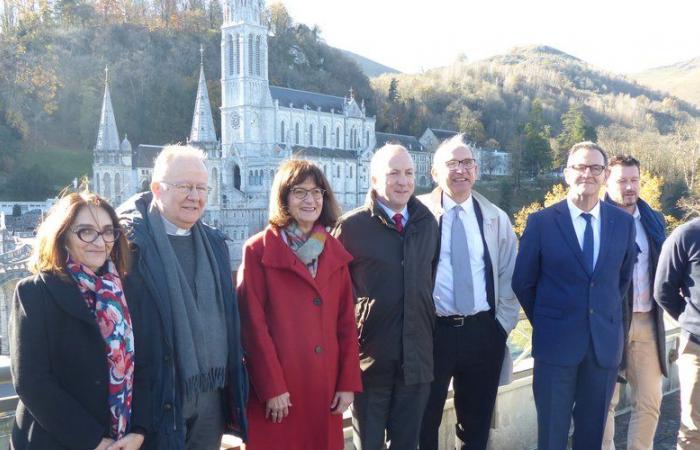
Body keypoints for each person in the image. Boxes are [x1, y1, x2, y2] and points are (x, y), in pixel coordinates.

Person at [118, 145, 247, 449]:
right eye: (184, 186)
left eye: (202, 187)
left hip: (211, 397)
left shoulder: (215, 243)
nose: (195, 196)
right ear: (157, 189)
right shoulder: (129, 244)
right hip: (159, 396)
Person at [512, 141, 637, 450]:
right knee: (552, 437)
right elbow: (523, 282)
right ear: (566, 174)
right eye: (580, 167)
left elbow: (620, 282)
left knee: (591, 437)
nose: (588, 174)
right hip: (555, 347)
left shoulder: (622, 223)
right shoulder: (541, 223)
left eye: (595, 168)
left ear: (605, 174)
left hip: (603, 349)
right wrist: (552, 318)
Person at [237, 159, 362, 450]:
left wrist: (347, 383)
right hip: (280, 394)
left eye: (317, 192)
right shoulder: (258, 250)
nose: (311, 199)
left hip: (325, 388)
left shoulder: (334, 251)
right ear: (284, 198)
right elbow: (252, 326)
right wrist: (272, 387)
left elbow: (346, 323)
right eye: (300, 192)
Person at [10, 189, 149, 450]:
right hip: (58, 440)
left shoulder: (128, 290)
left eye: (108, 231)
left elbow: (145, 366)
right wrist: (92, 440)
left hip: (123, 440)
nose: (100, 241)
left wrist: (140, 430)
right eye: (86, 231)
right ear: (63, 237)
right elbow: (32, 381)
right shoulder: (34, 292)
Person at [333, 144, 439, 450]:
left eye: (408, 173)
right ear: (376, 178)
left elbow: (428, 282)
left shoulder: (427, 224)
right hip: (369, 364)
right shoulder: (351, 228)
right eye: (394, 173)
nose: (403, 181)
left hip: (416, 363)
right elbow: (335, 296)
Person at [418, 134, 519, 450]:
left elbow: (509, 275)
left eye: (466, 163)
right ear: (435, 173)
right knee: (423, 422)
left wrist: (499, 326)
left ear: (476, 170)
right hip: (431, 334)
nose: (460, 170)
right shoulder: (417, 215)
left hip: (482, 332)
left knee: (476, 428)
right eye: (451, 163)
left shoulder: (495, 218)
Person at [601, 155, 668, 450]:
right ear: (606, 181)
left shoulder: (653, 220)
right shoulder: (596, 220)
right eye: (621, 180)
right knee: (603, 404)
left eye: (634, 180)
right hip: (608, 322)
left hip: (647, 321)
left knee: (650, 402)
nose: (629, 187)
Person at [654, 216, 700, 448]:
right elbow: (663, 290)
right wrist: (691, 320)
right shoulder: (687, 235)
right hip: (697, 347)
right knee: (693, 429)